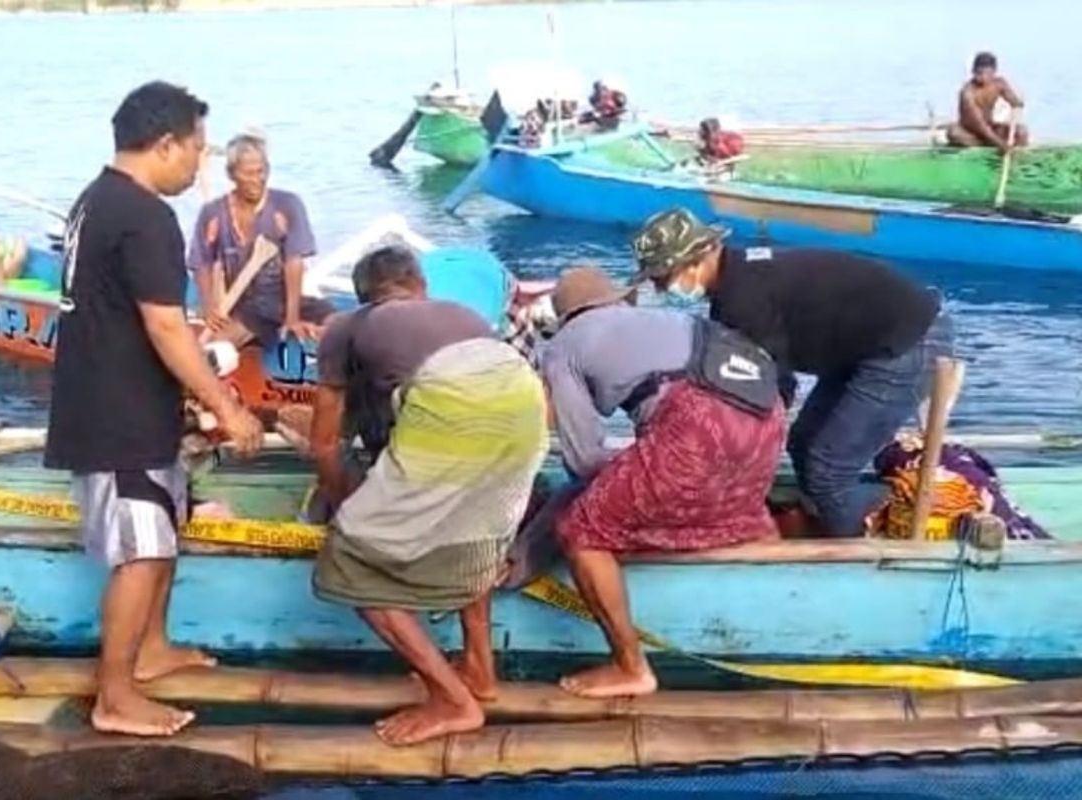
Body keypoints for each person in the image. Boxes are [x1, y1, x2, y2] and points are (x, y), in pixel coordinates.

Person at [44, 81, 264, 738]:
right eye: (196, 149)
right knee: (139, 551)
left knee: (164, 530)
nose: (199, 163)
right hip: (116, 413)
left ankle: (151, 648)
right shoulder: (143, 213)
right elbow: (166, 327)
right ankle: (115, 695)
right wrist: (227, 407)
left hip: (131, 402)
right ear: (164, 143)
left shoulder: (97, 199)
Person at [308, 245, 548, 746]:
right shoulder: (463, 314)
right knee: (475, 537)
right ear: (420, 285)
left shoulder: (346, 327)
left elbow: (326, 441)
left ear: (363, 297)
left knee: (351, 567)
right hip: (528, 409)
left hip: (452, 408)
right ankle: (480, 672)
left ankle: (452, 700)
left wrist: (340, 509)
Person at [631, 208, 954, 539]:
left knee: (827, 472)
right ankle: (831, 522)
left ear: (696, 259)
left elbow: (774, 387)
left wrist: (732, 454)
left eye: (662, 278)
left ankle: (871, 544)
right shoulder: (739, 276)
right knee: (803, 444)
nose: (662, 288)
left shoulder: (743, 299)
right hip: (864, 345)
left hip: (908, 343)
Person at [538, 266, 785, 698]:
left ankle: (631, 667)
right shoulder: (671, 320)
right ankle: (777, 619)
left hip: (696, 424)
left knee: (582, 528)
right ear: (619, 301)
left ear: (567, 318)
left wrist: (616, 487)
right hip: (768, 415)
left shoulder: (562, 349)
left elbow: (582, 460)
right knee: (738, 510)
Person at [188, 133, 332, 349]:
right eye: (248, 174)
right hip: (246, 309)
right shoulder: (214, 214)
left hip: (285, 301)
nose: (257, 180)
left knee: (338, 324)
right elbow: (202, 263)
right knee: (217, 346)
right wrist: (209, 307)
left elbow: (294, 261)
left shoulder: (287, 205)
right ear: (232, 174)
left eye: (261, 171)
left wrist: (291, 317)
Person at [946, 52, 1028, 150]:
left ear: (994, 72)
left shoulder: (999, 83)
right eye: (979, 73)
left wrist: (1017, 103)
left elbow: (1014, 101)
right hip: (971, 131)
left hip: (990, 126)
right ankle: (987, 148)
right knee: (954, 133)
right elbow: (979, 125)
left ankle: (1016, 156)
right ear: (973, 71)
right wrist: (999, 143)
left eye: (988, 73)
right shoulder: (967, 93)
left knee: (1021, 131)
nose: (983, 77)